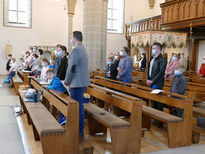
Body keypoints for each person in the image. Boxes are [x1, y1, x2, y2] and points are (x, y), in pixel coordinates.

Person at [64, 31, 90, 136]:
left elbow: (71, 68)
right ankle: (79, 131)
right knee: (79, 107)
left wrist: (67, 80)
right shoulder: (83, 48)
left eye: (71, 38)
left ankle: (79, 132)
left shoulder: (76, 50)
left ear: (74, 38)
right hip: (81, 82)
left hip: (77, 83)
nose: (71, 40)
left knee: (77, 107)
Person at [146, 43, 167, 111]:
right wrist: (147, 79)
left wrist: (153, 81)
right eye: (152, 48)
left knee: (158, 100)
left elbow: (161, 72)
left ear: (159, 50)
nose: (152, 50)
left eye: (154, 48)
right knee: (152, 99)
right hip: (151, 82)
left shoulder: (162, 59)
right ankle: (153, 114)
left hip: (157, 83)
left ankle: (159, 116)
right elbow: (149, 69)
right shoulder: (152, 58)